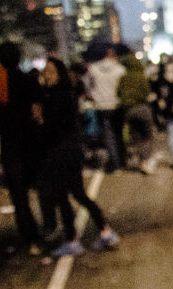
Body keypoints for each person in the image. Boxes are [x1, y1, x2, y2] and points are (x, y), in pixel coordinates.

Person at [35, 57, 119, 258]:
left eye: (51, 72)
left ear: (60, 74)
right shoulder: (64, 94)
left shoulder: (57, 96)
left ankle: (75, 239)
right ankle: (103, 232)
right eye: (45, 71)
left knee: (66, 196)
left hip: (61, 152)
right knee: (76, 194)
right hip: (69, 151)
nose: (46, 75)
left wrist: (39, 119)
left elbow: (52, 127)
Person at [0, 41, 44, 254]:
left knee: (19, 196)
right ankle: (50, 225)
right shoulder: (29, 80)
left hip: (10, 144)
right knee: (42, 186)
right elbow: (37, 113)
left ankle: (30, 236)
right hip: (30, 141)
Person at [84, 45, 127, 173]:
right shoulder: (121, 70)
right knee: (118, 134)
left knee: (107, 135)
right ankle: (119, 160)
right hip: (116, 105)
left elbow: (87, 85)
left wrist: (93, 95)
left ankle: (114, 161)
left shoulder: (94, 68)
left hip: (100, 105)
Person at [117, 55, 156, 174]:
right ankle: (145, 160)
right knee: (147, 136)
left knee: (136, 136)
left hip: (129, 110)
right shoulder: (141, 77)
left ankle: (138, 158)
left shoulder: (123, 78)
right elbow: (147, 92)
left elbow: (118, 93)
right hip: (142, 109)